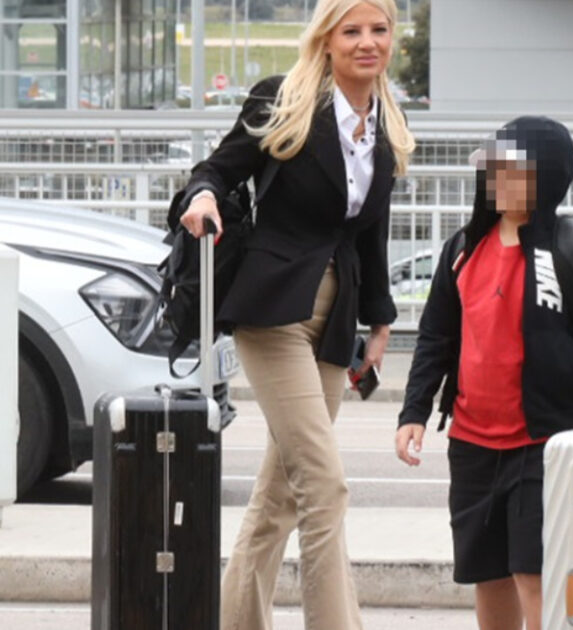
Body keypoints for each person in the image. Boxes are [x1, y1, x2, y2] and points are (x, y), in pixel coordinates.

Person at [176, 0, 414, 626]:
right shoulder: (283, 99)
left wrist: (380, 321)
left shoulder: (387, 121)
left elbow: (372, 232)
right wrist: (204, 197)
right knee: (323, 485)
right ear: (327, 40)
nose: (367, 42)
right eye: (352, 31)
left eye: (379, 30)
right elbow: (216, 169)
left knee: (280, 496)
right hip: (273, 311)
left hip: (335, 316)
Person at [394, 116, 573, 630]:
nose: (498, 182)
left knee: (535, 572)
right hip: (472, 443)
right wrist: (414, 411)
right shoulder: (462, 248)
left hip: (546, 440)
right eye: (494, 170)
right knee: (489, 575)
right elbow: (435, 338)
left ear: (546, 177)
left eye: (513, 171)